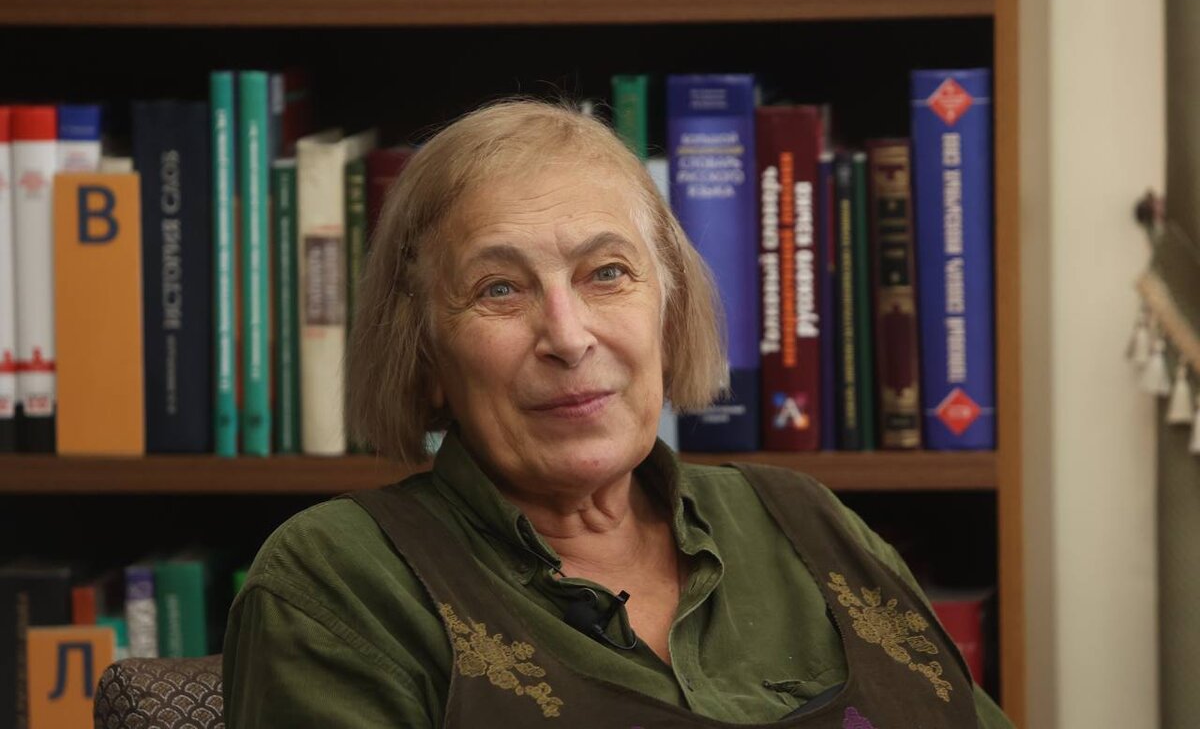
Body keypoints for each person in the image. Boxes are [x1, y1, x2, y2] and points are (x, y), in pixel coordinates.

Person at [223, 99, 1014, 728]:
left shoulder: (804, 520)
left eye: (606, 273)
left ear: (668, 313)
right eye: (501, 289)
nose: (568, 337)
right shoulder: (339, 581)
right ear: (425, 355)